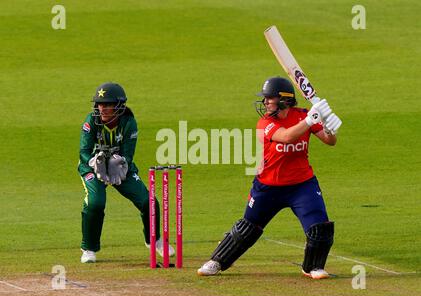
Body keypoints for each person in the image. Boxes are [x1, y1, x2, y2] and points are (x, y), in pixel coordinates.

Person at [197, 77, 342, 279]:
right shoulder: (265, 122)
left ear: (284, 99)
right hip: (268, 187)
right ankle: (217, 262)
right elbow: (286, 136)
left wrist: (328, 126)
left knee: (320, 228)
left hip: (302, 186)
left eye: (269, 98)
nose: (265, 102)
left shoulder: (303, 116)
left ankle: (313, 267)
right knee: (247, 229)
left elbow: (330, 141)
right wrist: (311, 119)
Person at [78, 82, 174, 263]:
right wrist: (94, 162)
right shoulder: (90, 121)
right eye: (100, 104)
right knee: (96, 203)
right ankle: (88, 248)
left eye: (108, 104)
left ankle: (154, 241)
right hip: (92, 168)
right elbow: (83, 152)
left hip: (119, 168)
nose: (103, 109)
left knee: (149, 201)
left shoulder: (129, 122)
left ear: (119, 105)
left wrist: (119, 163)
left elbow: (128, 154)